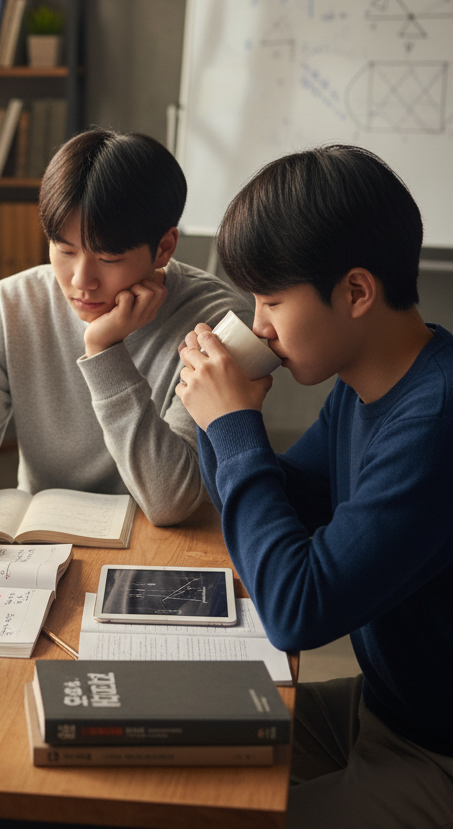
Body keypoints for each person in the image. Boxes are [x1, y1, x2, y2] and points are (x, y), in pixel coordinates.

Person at [175, 145, 453, 828]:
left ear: (356, 292)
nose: (259, 323)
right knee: (158, 765)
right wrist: (220, 424)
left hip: (436, 753)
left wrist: (235, 427)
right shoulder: (364, 389)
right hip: (382, 707)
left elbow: (298, 608)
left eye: (270, 299)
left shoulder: (436, 420)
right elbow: (282, 508)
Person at [0, 128, 251, 549]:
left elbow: (172, 499)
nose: (81, 281)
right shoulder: (15, 304)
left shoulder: (217, 324)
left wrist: (104, 350)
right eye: (64, 250)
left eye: (108, 258)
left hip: (169, 550)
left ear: (164, 248)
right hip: (41, 547)